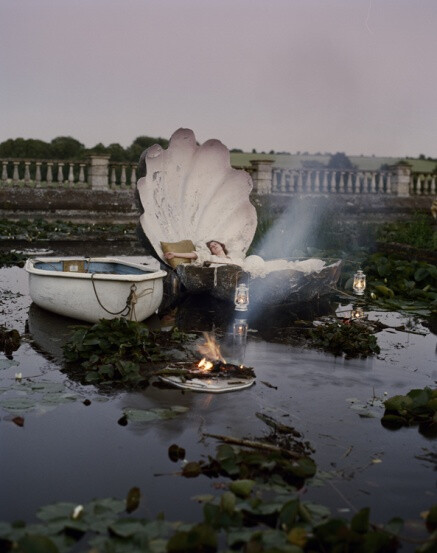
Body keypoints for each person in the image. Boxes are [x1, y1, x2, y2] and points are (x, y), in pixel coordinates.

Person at [164, 240, 230, 263]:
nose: (214, 246)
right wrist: (174, 254)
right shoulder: (212, 258)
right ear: (211, 251)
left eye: (215, 244)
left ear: (221, 246)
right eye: (211, 247)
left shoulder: (234, 258)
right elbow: (196, 255)